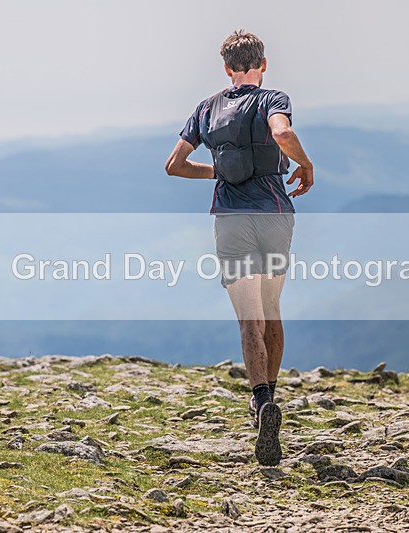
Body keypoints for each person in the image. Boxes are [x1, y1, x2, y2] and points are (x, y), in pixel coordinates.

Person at [165, 30, 314, 466]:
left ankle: (260, 401)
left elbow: (173, 166)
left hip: (230, 217)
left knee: (249, 319)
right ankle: (272, 397)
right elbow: (282, 136)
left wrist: (222, 173)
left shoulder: (206, 108)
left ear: (227, 68)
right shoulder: (272, 99)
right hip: (273, 213)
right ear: (262, 64)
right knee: (272, 310)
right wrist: (305, 165)